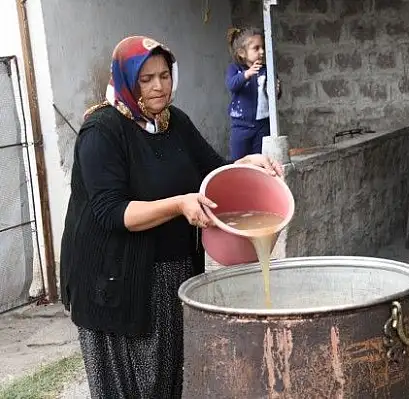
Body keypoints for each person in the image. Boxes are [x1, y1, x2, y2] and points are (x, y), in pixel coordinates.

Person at [59, 35, 283, 399]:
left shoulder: (172, 121)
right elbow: (115, 213)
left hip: (170, 275)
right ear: (127, 80)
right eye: (146, 79)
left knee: (168, 382)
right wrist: (179, 204)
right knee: (130, 388)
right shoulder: (102, 130)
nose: (159, 86)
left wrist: (247, 164)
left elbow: (212, 171)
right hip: (114, 280)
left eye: (164, 75)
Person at [225, 27, 282, 160]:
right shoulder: (235, 69)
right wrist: (246, 75)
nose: (261, 52)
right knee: (239, 161)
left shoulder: (266, 70)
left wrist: (277, 90)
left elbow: (274, 96)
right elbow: (231, 85)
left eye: (262, 47)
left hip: (262, 125)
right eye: (256, 48)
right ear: (242, 53)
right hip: (241, 126)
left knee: (260, 160)